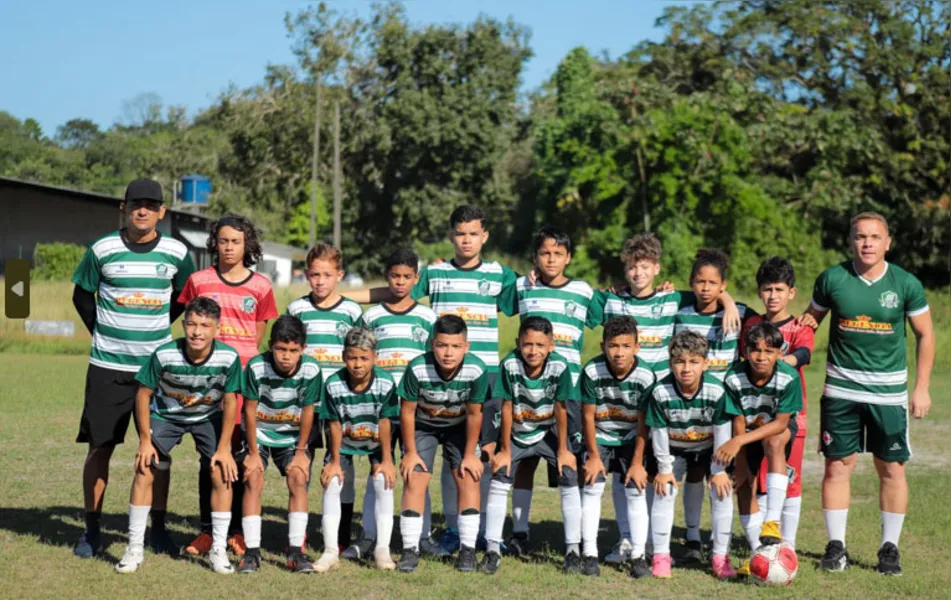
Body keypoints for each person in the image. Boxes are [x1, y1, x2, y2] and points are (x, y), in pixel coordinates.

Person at [348, 205, 517, 556]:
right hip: (441, 373)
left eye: (473, 233)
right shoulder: (437, 272)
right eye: (460, 233)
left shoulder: (501, 274)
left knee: (476, 456)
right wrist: (339, 298)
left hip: (482, 375)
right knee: (448, 456)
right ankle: (455, 528)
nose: (466, 240)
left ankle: (484, 529)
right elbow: (397, 291)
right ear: (451, 236)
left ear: (485, 236)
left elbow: (526, 299)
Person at [595, 234, 739, 565]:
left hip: (665, 398)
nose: (638, 273)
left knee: (655, 471)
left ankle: (650, 543)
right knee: (627, 473)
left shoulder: (672, 298)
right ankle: (630, 539)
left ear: (657, 269)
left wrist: (729, 302)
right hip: (627, 399)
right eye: (631, 267)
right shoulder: (612, 300)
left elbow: (709, 289)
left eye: (645, 267)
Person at [803, 212, 934, 576]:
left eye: (875, 237)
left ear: (887, 242)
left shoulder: (905, 284)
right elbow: (809, 322)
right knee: (836, 466)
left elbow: (926, 334)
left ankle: (889, 549)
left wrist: (921, 388)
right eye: (861, 237)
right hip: (840, 390)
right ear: (851, 241)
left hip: (888, 395)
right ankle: (836, 547)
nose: (867, 243)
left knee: (891, 468)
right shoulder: (833, 278)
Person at [71, 178, 196, 558]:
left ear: (162, 212)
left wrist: (160, 327)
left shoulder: (177, 252)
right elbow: (81, 294)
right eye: (135, 203)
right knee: (100, 447)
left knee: (157, 451)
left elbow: (185, 297)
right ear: (122, 208)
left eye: (150, 204)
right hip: (107, 366)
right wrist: (103, 333)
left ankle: (157, 530)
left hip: (157, 372)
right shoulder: (102, 248)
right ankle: (91, 531)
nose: (142, 209)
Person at [495, 226, 602, 557]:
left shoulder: (584, 291)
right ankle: (520, 532)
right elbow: (490, 292)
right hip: (528, 387)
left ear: (568, 257)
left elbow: (616, 301)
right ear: (535, 257)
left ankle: (579, 539)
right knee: (524, 462)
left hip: (567, 390)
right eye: (545, 253)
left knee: (569, 459)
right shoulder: (523, 287)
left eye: (558, 254)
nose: (551, 259)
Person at [114, 297, 241, 574]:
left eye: (205, 325)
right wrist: (145, 441)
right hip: (165, 415)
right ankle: (134, 548)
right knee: (145, 468)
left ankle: (218, 548)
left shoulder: (229, 357)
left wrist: (224, 448)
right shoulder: (163, 354)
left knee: (221, 470)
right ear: (183, 324)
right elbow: (143, 394)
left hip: (207, 416)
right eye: (192, 324)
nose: (197, 331)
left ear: (216, 329)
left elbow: (231, 401)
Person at [178, 214, 279, 557]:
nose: (229, 247)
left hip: (242, 384)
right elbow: (188, 322)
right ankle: (207, 531)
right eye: (223, 241)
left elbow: (259, 332)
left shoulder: (261, 286)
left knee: (236, 453)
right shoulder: (198, 281)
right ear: (214, 244)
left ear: (247, 245)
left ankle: (235, 531)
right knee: (209, 455)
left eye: (236, 241)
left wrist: (242, 362)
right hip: (205, 382)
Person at [343, 248, 437, 561]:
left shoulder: (427, 317)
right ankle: (370, 537)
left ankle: (422, 537)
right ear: (386, 277)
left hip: (416, 408)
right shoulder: (370, 316)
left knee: (417, 472)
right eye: (394, 276)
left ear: (416, 279)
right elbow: (360, 357)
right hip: (378, 407)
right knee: (378, 472)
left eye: (407, 277)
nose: (400, 282)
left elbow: (432, 362)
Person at [671, 247, 754, 563]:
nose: (705, 288)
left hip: (724, 412)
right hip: (688, 408)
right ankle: (692, 538)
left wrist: (729, 302)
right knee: (693, 473)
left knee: (719, 477)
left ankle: (721, 545)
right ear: (691, 283)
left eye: (713, 283)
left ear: (723, 285)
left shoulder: (741, 312)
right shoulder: (681, 311)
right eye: (699, 282)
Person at [480, 317, 581, 576]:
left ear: (551, 346)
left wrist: (563, 449)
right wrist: (504, 448)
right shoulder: (510, 364)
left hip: (548, 431)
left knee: (568, 474)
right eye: (527, 344)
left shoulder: (560, 366)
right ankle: (492, 548)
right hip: (516, 430)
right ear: (518, 343)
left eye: (539, 345)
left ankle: (573, 550)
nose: (533, 351)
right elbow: (505, 405)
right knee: (500, 476)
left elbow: (561, 408)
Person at [285, 243, 363, 550]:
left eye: (327, 275)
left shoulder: (352, 311)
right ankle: (299, 536)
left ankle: (340, 537)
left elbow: (361, 356)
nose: (320, 281)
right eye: (314, 274)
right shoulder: (296, 310)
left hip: (340, 408)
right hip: (304, 404)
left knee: (341, 468)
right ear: (306, 275)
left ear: (339, 275)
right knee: (301, 467)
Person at [645, 330, 740, 580]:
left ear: (705, 363)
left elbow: (722, 433)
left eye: (694, 361)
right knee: (664, 490)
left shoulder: (716, 391)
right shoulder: (660, 391)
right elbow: (659, 433)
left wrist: (719, 471)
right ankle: (661, 556)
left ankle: (720, 556)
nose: (686, 368)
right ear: (670, 363)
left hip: (709, 449)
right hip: (674, 449)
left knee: (722, 491)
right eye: (679, 361)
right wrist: (665, 470)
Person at [396, 315, 489, 573]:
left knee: (469, 476)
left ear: (466, 347)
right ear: (431, 344)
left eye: (456, 346)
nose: (448, 353)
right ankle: (409, 549)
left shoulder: (477, 369)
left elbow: (474, 414)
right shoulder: (417, 367)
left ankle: (467, 551)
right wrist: (411, 452)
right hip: (423, 426)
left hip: (459, 426)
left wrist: (470, 453)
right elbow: (407, 412)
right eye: (441, 345)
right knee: (414, 477)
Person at [235, 315, 322, 574]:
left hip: (292, 436)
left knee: (298, 477)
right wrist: (252, 452)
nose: (286, 356)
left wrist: (301, 452)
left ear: (303, 349)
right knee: (253, 477)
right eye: (281, 349)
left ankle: (296, 552)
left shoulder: (312, 369)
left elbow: (308, 412)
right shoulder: (255, 367)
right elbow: (249, 411)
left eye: (293, 350)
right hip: (259, 433)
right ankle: (251, 553)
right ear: (270, 345)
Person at [739, 256, 814, 551]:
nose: (773, 296)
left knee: (791, 480)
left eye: (780, 290)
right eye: (767, 289)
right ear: (759, 292)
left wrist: (781, 361)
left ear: (791, 293)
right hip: (754, 414)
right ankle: (764, 544)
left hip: (792, 414)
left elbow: (804, 354)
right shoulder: (752, 324)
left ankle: (789, 546)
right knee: (757, 479)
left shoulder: (799, 326)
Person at [717, 322, 802, 574]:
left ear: (779, 353)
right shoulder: (733, 377)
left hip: (775, 428)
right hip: (744, 431)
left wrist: (739, 441)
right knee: (743, 484)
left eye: (769, 351)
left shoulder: (789, 376)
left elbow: (781, 422)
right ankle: (759, 554)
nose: (761, 357)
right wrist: (740, 464)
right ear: (745, 351)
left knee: (773, 441)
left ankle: (772, 522)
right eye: (755, 350)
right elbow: (738, 420)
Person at [318, 327, 400, 572]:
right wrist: (333, 461)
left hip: (375, 441)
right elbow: (332, 424)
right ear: (344, 356)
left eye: (364, 358)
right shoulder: (333, 383)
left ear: (375, 357)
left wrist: (386, 459)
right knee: (333, 482)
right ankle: (330, 551)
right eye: (352, 357)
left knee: (383, 481)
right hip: (343, 442)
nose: (357, 364)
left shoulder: (385, 382)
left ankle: (382, 550)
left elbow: (386, 422)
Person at [579, 316, 655, 579]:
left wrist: (636, 462)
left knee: (636, 489)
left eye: (625, 345)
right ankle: (588, 553)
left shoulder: (646, 376)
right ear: (603, 347)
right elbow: (587, 416)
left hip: (632, 438)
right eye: (613, 345)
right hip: (599, 436)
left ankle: (637, 556)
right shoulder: (591, 371)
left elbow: (645, 424)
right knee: (592, 486)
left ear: (637, 346)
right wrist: (593, 456)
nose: (619, 352)